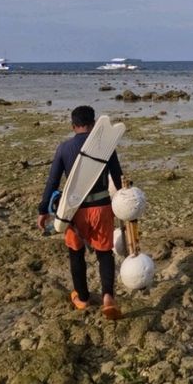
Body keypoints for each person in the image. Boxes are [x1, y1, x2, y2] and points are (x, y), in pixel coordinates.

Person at [37, 105, 124, 319]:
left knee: (76, 254)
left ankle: (83, 299)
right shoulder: (105, 148)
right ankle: (107, 298)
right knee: (104, 254)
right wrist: (124, 206)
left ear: (73, 126)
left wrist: (43, 210)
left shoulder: (64, 148)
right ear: (93, 125)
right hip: (102, 208)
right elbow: (118, 178)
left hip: (74, 212)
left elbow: (53, 182)